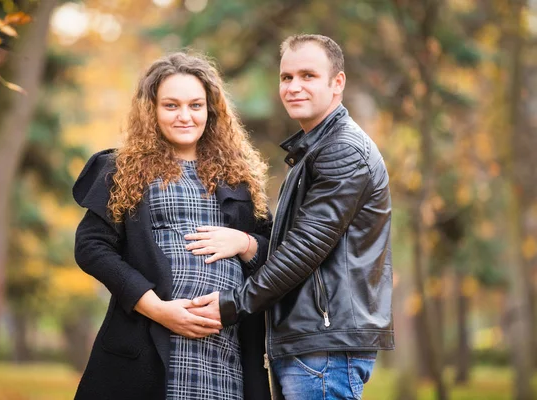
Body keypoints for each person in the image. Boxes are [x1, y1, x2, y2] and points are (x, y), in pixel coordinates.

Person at [189, 34, 394, 400]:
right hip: (310, 343)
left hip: (324, 347)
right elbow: (305, 247)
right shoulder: (314, 149)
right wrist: (249, 244)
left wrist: (231, 305)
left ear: (337, 83)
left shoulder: (342, 151)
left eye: (308, 76)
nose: (294, 87)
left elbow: (304, 251)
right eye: (287, 77)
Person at [72, 52, 272, 400]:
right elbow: (91, 247)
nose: (184, 116)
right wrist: (158, 309)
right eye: (171, 105)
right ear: (152, 110)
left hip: (223, 353)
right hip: (147, 344)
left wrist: (243, 242)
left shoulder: (241, 177)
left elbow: (274, 249)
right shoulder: (122, 169)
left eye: (195, 105)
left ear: (210, 111)